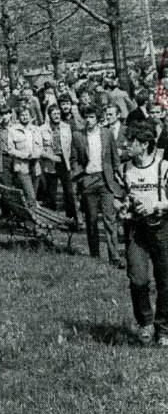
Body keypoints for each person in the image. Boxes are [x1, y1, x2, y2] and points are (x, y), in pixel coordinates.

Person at [120, 121, 168, 346]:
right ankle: (146, 322)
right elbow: (122, 198)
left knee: (165, 281)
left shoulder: (163, 167)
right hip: (136, 230)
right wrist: (123, 207)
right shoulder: (125, 169)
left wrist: (156, 205)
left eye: (131, 141)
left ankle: (164, 328)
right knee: (137, 279)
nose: (126, 144)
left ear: (145, 144)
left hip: (162, 229)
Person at [72, 106, 125, 268]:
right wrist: (80, 175)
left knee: (110, 219)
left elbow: (115, 157)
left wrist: (118, 176)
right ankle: (94, 253)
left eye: (92, 117)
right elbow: (74, 159)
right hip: (88, 180)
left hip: (105, 180)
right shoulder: (78, 136)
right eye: (86, 117)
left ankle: (114, 256)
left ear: (98, 118)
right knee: (92, 219)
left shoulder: (106, 134)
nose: (89, 120)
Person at [40, 105, 79, 228]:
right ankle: (51, 219)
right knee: (51, 193)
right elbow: (39, 148)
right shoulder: (42, 129)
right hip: (50, 162)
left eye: (58, 113)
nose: (56, 116)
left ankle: (71, 219)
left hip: (64, 161)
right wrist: (50, 156)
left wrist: (73, 162)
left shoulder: (66, 127)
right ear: (49, 115)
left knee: (68, 191)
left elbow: (72, 146)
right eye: (54, 114)